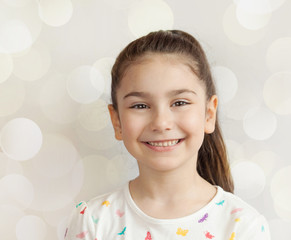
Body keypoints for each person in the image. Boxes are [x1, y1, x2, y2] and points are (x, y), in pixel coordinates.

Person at [64, 30, 271, 240]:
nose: (161, 123)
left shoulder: (243, 226)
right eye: (140, 105)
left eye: (180, 103)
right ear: (116, 120)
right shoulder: (92, 221)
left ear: (209, 114)